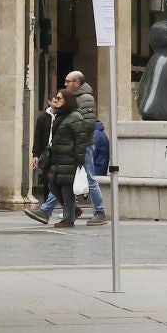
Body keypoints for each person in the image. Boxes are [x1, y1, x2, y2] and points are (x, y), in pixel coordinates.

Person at [62, 70, 108, 223]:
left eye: (68, 81)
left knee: (90, 178)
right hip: (74, 144)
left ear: (77, 83)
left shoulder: (86, 98)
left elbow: (88, 123)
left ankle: (100, 212)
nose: (65, 84)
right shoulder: (73, 98)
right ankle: (60, 211)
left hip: (83, 144)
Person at [43, 92, 93, 228]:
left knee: (66, 189)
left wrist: (79, 159)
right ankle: (74, 210)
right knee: (52, 185)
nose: (56, 100)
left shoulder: (75, 116)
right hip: (58, 158)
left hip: (69, 158)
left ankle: (68, 219)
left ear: (68, 100)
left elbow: (81, 139)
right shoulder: (60, 115)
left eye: (59, 98)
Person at [24, 91, 64, 224]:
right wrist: (36, 154)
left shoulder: (62, 116)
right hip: (46, 153)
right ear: (49, 102)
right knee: (48, 178)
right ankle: (48, 206)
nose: (56, 103)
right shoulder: (42, 118)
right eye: (54, 100)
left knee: (58, 181)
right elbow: (38, 136)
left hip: (59, 152)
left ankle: (51, 209)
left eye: (58, 100)